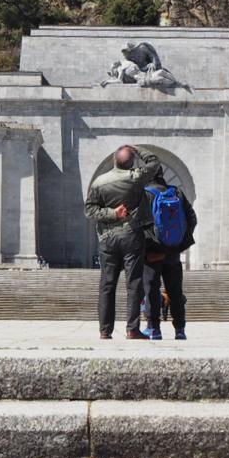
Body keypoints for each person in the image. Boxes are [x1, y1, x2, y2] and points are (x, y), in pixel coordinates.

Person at [84, 144, 156, 340]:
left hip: (107, 238)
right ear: (132, 162)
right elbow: (154, 163)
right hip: (132, 235)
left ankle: (104, 331)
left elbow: (89, 210)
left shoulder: (99, 181)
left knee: (107, 284)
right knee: (133, 283)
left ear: (114, 161)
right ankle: (132, 329)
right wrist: (138, 148)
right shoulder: (136, 176)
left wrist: (111, 213)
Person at [140, 169, 196, 341]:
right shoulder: (177, 193)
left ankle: (153, 328)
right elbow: (192, 219)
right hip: (172, 254)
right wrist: (178, 245)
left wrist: (146, 248)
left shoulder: (144, 195)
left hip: (152, 254)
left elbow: (138, 225)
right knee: (175, 291)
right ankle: (180, 329)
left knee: (151, 290)